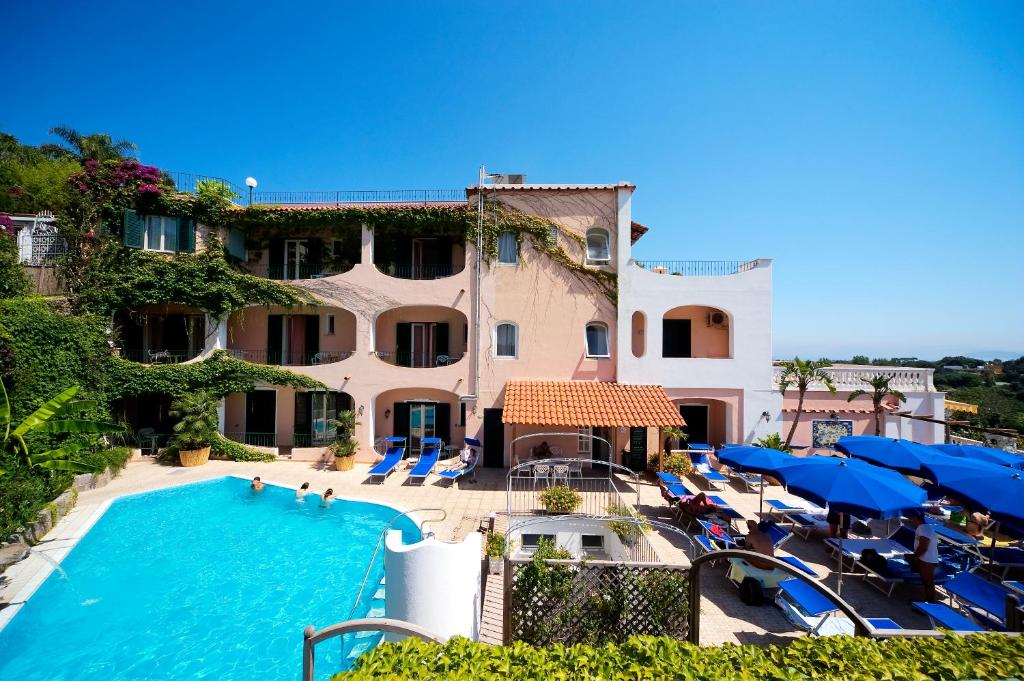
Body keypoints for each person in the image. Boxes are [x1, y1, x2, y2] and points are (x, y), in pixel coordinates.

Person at [908, 510, 939, 603]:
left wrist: (915, 557)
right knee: (926, 582)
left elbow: (923, 546)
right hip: (926, 558)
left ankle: (930, 603)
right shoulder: (924, 527)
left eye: (911, 518)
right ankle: (928, 601)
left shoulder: (924, 529)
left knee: (928, 582)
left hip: (927, 560)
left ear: (916, 518)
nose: (910, 521)